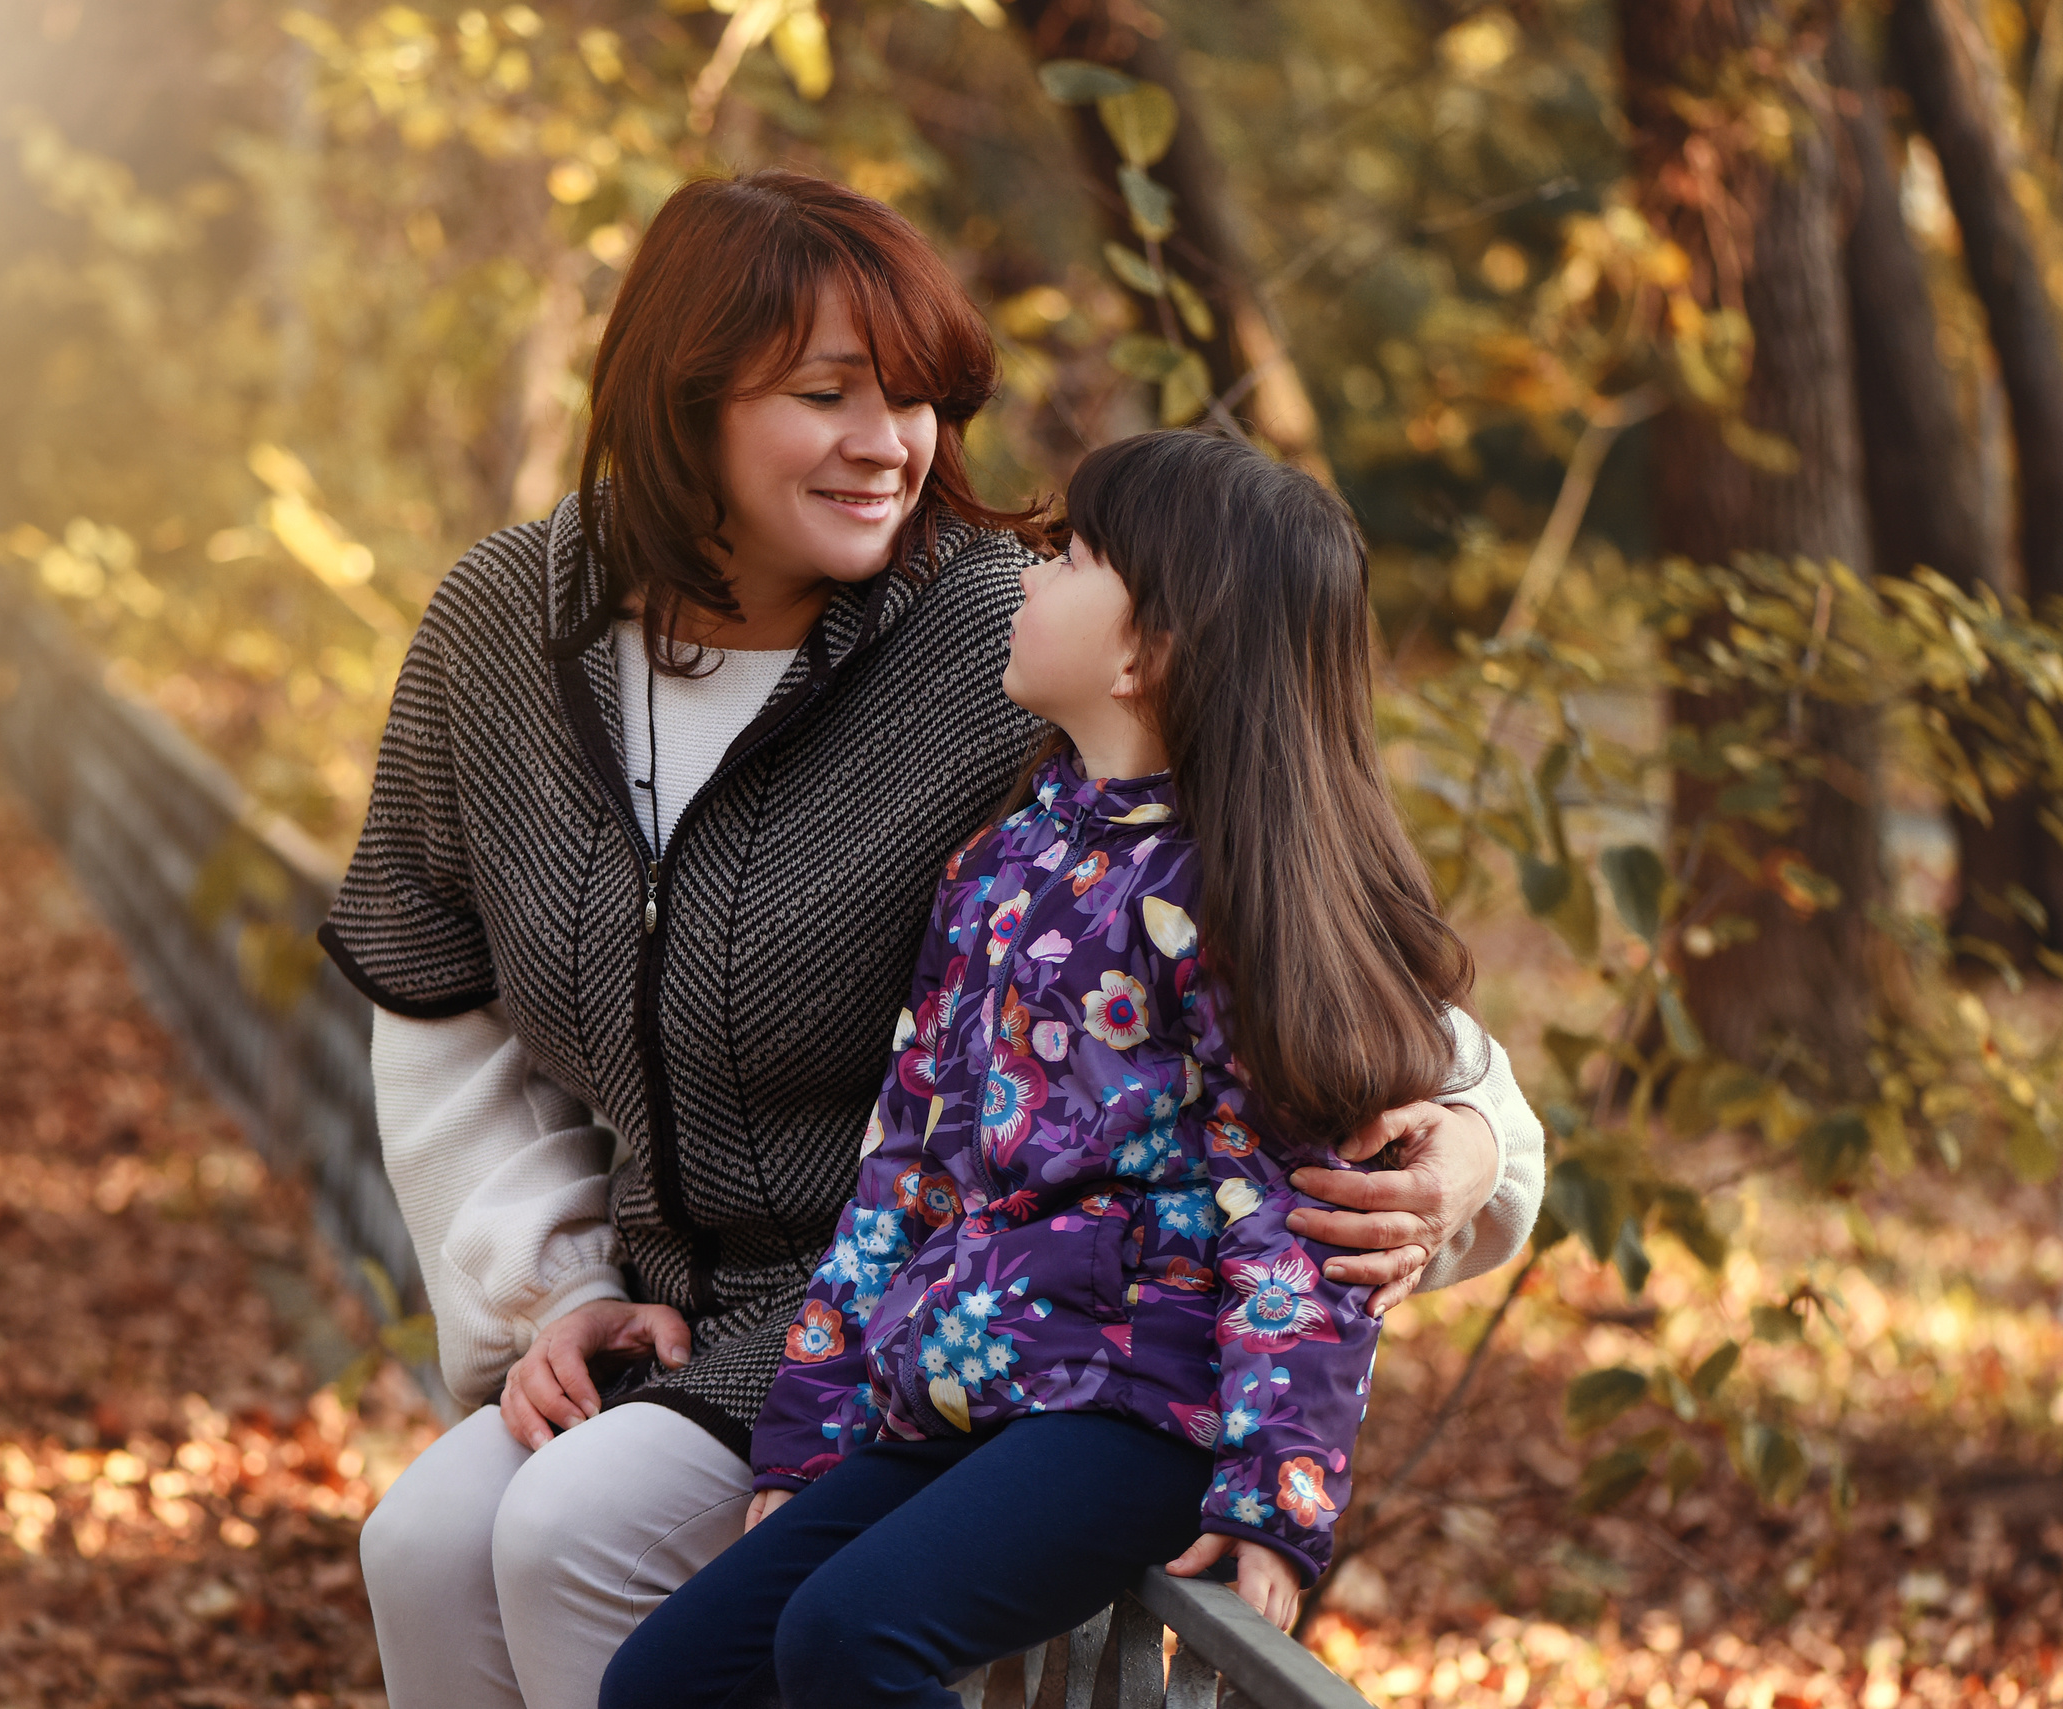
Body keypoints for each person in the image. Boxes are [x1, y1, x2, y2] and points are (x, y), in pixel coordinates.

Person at [321, 171, 1546, 1709]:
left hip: (918, 1316)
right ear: (678, 402)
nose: (890, 444)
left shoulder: (1002, 644)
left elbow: (1305, 923)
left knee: (570, 1537)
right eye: (826, 393)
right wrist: (546, 1291)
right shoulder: (504, 628)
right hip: (704, 1303)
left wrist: (1478, 1146)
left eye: (915, 398)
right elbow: (440, 998)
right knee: (421, 1548)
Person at [599, 428, 1480, 1709]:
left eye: (1069, 557)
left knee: (850, 1639)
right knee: (668, 1676)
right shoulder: (1000, 863)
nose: (1027, 575)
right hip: (968, 1382)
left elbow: (1299, 1223)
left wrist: (1277, 1487)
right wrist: (807, 1434)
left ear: (1149, 647)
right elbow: (903, 1172)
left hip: (1140, 1404)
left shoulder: (1233, 903)